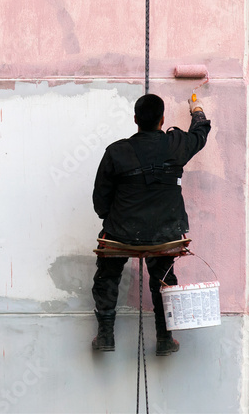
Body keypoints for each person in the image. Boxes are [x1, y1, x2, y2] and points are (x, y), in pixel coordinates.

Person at [90, 93, 211, 356]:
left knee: (107, 276)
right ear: (163, 119)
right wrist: (196, 108)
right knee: (164, 278)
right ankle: (165, 339)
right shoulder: (175, 145)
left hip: (121, 233)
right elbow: (200, 135)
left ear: (135, 119)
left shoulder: (116, 151)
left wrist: (114, 220)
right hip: (165, 235)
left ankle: (105, 336)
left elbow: (100, 200)